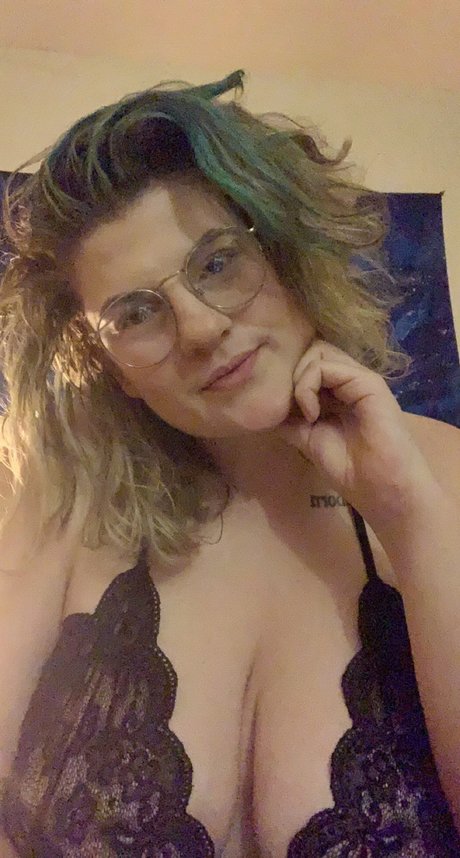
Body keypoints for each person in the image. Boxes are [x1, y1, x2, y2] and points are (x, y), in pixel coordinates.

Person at [0, 69, 459, 858]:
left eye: (217, 263)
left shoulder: (443, 473)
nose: (202, 328)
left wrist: (409, 520)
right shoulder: (65, 498)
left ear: (284, 249)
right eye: (137, 313)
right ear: (113, 370)